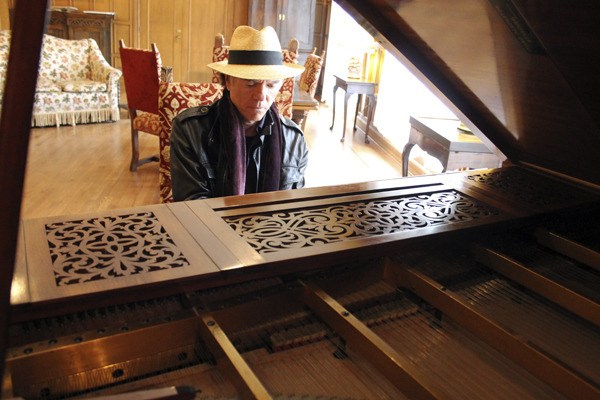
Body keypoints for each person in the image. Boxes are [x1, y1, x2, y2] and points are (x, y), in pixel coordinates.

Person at [170, 25, 308, 201]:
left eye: (271, 85)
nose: (261, 95)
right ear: (228, 81)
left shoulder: (294, 140)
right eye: (250, 84)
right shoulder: (190, 131)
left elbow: (294, 207)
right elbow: (193, 209)